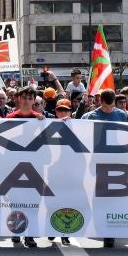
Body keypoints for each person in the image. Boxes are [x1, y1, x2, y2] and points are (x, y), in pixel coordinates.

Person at [81, 89, 127, 248]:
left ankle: (109, 233)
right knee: (97, 198)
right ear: (100, 101)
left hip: (116, 163)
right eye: (106, 107)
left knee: (113, 198)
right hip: (96, 163)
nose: (108, 110)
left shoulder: (122, 115)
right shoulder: (88, 117)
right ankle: (100, 226)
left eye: (111, 107)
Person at [5, 86, 45, 248]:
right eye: (24, 97)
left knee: (33, 203)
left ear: (34, 100)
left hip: (35, 168)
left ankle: (30, 235)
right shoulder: (10, 118)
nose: (27, 101)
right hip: (15, 168)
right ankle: (16, 231)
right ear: (18, 99)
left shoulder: (41, 119)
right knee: (16, 202)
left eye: (30, 98)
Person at [48, 98, 74, 246]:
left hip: (70, 172)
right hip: (52, 171)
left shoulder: (78, 126)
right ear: (55, 111)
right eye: (60, 110)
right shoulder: (47, 125)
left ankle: (65, 233)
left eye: (66, 110)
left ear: (70, 112)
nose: (63, 112)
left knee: (67, 202)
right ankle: (51, 229)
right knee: (52, 202)